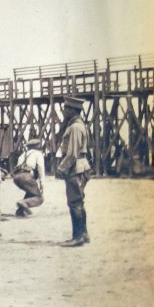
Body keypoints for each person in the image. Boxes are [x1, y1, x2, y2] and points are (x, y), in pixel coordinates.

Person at [56, 96, 91, 247]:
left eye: (65, 109)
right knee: (79, 202)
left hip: (75, 168)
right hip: (80, 167)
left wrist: (61, 168)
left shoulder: (75, 127)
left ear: (71, 110)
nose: (64, 111)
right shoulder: (78, 125)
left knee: (74, 203)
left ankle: (77, 237)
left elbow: (72, 153)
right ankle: (83, 234)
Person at [13, 138, 46, 217]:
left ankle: (20, 211)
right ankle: (23, 203)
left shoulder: (22, 155)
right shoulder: (38, 154)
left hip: (16, 177)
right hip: (27, 176)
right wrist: (42, 183)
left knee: (31, 192)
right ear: (37, 146)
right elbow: (41, 168)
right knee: (39, 198)